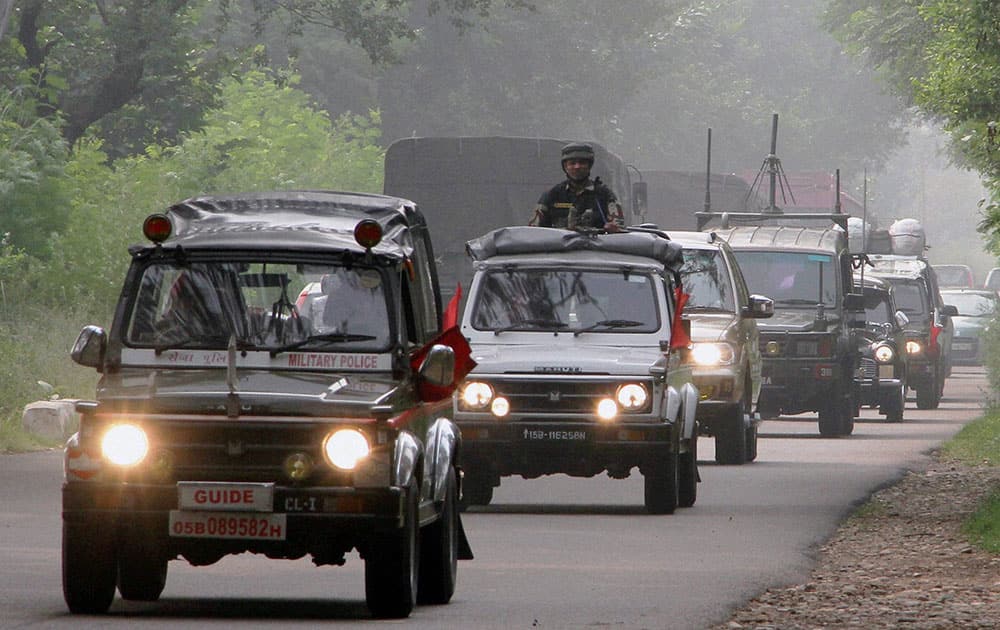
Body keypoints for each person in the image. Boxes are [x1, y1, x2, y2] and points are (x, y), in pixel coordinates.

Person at [529, 142, 625, 232]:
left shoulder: (604, 195)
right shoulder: (551, 195)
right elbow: (533, 232)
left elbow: (619, 229)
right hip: (560, 249)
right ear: (565, 167)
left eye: (582, 162)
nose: (577, 167)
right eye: (572, 163)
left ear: (589, 165)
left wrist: (612, 229)